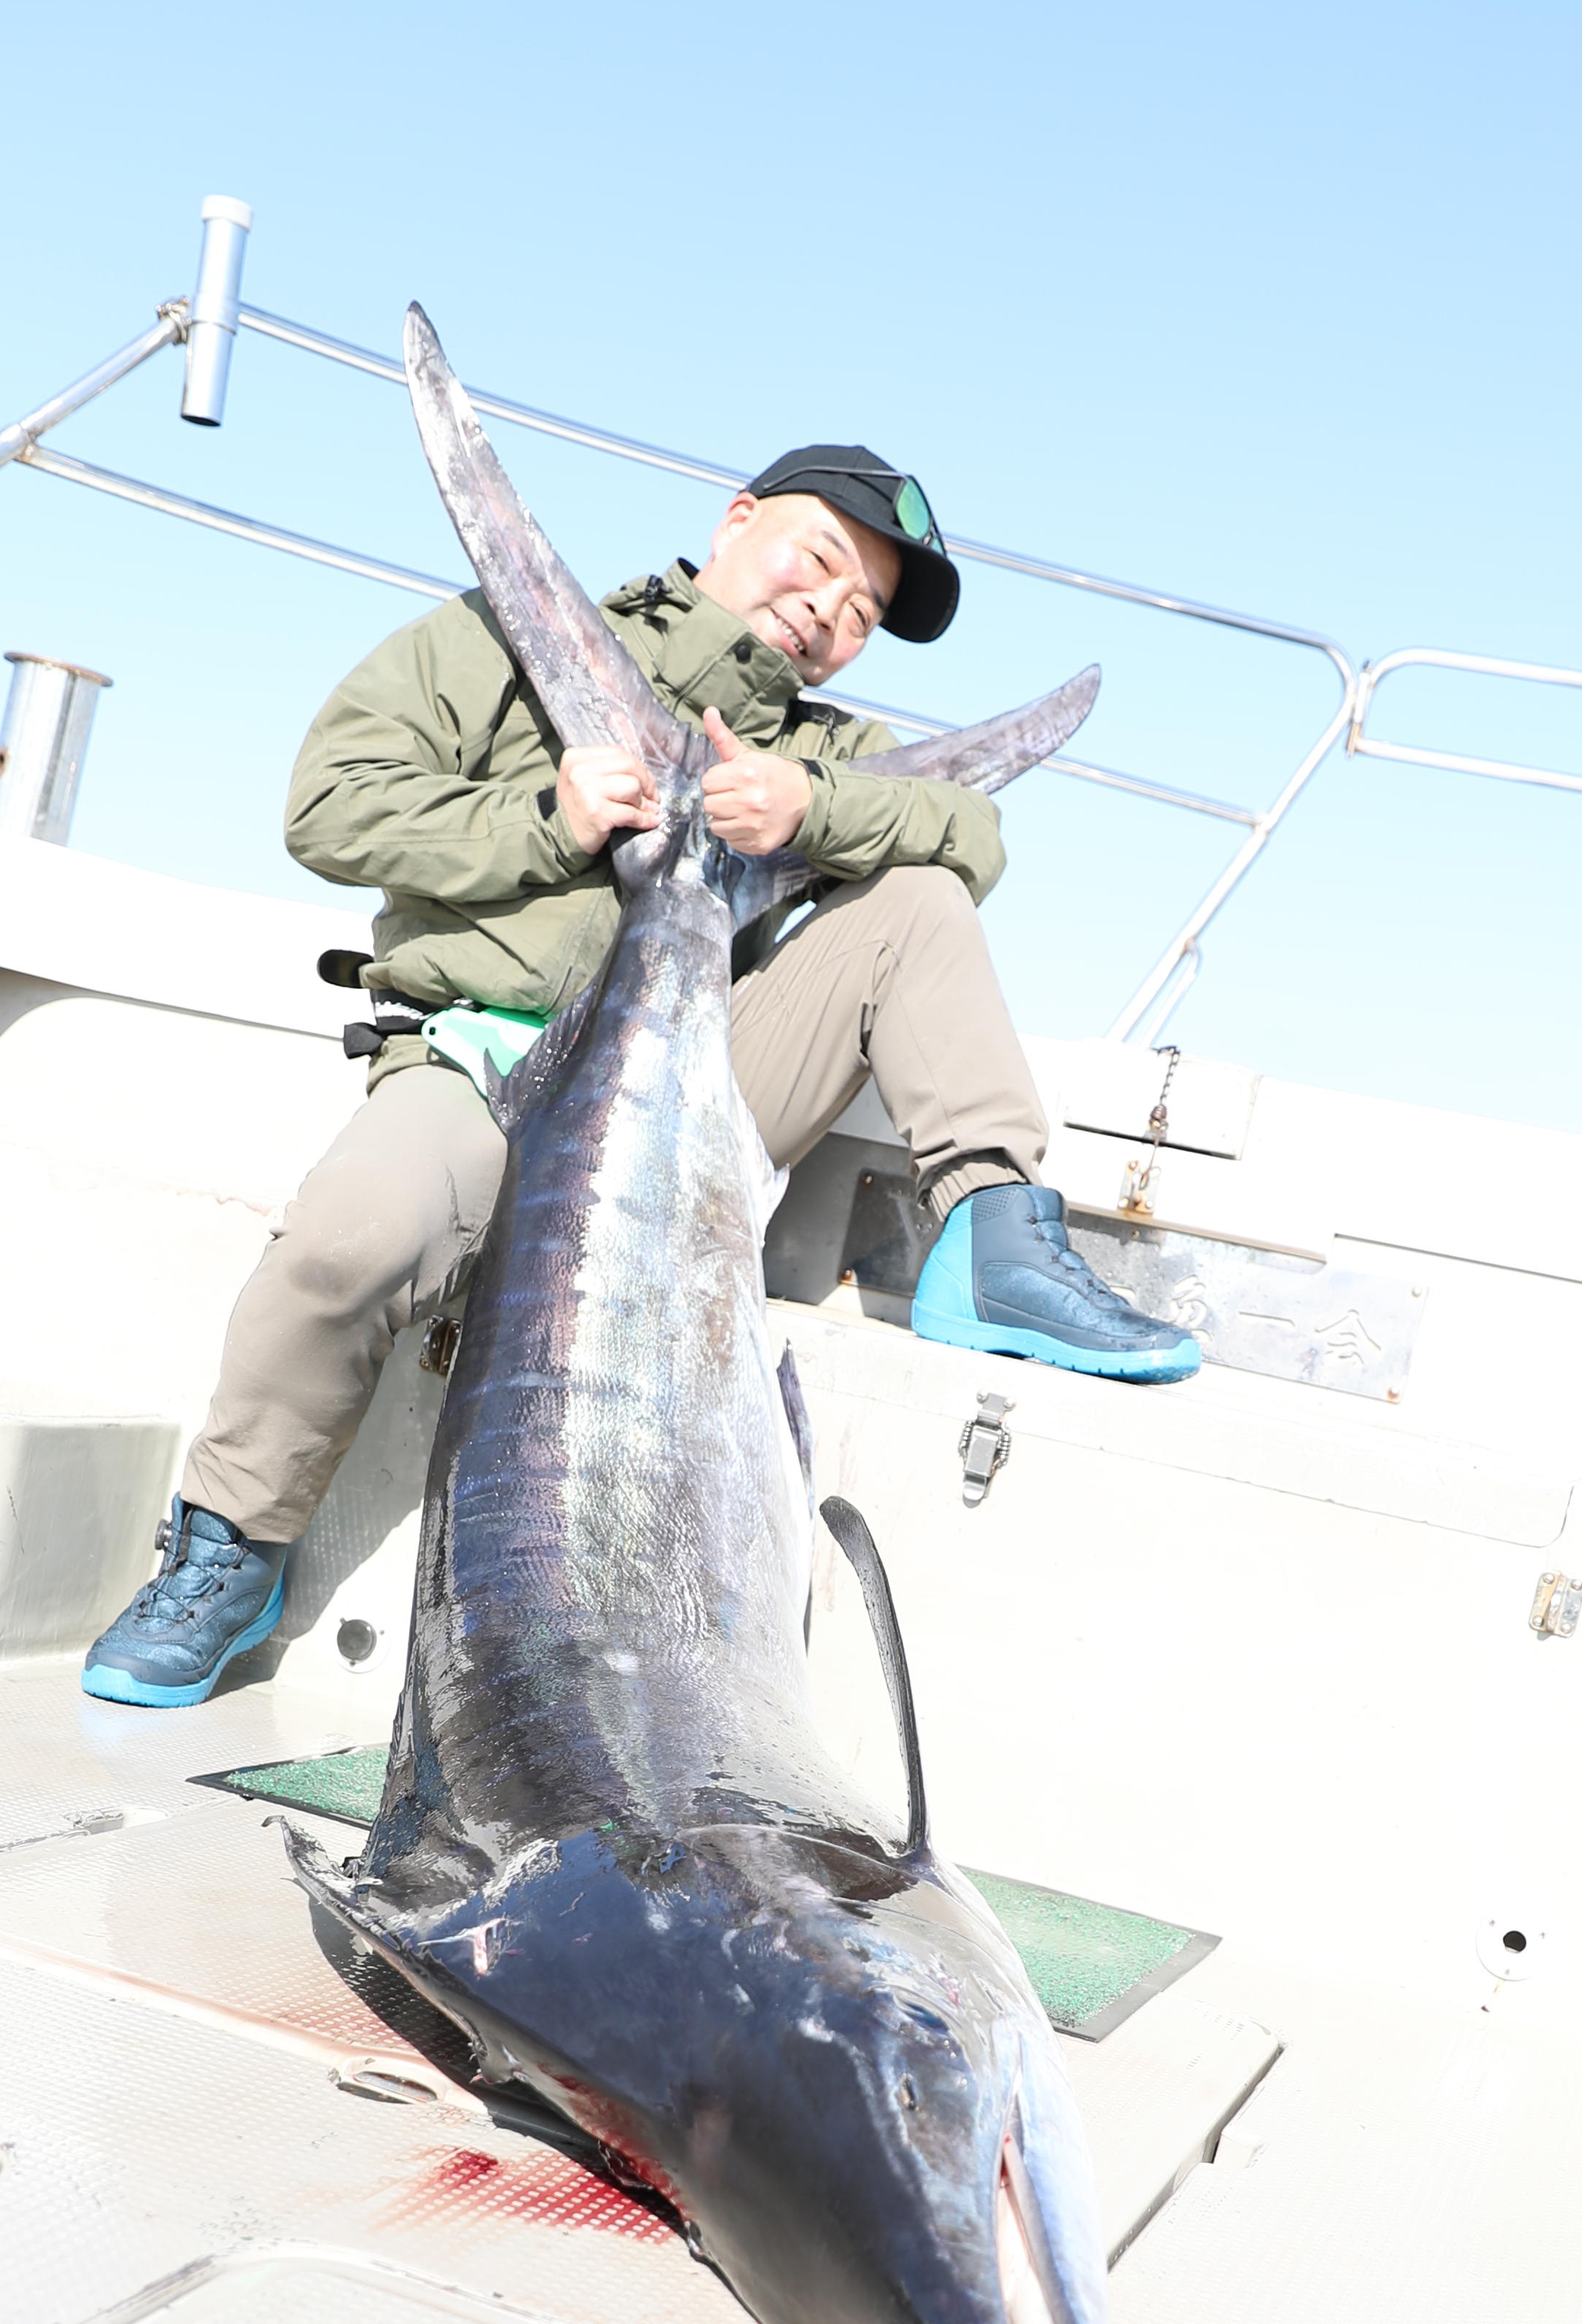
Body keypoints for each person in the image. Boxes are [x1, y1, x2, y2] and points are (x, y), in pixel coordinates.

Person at [82, 444, 1195, 1707]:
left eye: (866, 612)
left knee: (925, 899)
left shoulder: (839, 748)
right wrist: (547, 819)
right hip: (486, 1055)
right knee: (349, 1242)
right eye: (822, 559)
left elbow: (975, 835)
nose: (832, 610)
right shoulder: (498, 641)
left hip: (697, 1088)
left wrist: (805, 809)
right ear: (736, 520)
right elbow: (329, 806)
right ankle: (232, 1546)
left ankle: (995, 1237)